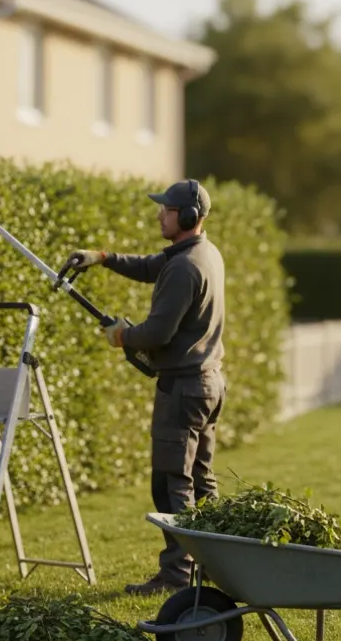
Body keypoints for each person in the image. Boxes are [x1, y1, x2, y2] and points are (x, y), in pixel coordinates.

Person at [59, 179, 227, 596]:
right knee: (200, 483)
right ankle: (213, 567)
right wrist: (102, 258)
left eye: (166, 210)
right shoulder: (199, 254)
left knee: (172, 483)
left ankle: (176, 578)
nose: (159, 214)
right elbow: (152, 267)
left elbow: (157, 333)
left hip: (184, 389)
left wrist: (123, 336)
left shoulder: (187, 267)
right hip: (207, 384)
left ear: (187, 218)